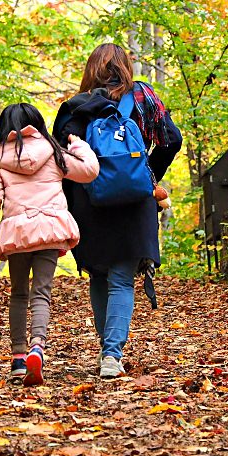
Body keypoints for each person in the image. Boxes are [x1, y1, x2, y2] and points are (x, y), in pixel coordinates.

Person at [54, 43, 183, 379]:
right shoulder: (143, 99)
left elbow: (60, 161)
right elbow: (172, 138)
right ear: (126, 67)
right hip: (134, 201)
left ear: (90, 69)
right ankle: (112, 355)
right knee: (122, 279)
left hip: (89, 201)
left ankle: (106, 349)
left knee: (99, 274)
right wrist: (147, 174)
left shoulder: (75, 108)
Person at [0, 103, 99, 385]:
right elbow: (89, 171)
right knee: (42, 292)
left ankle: (18, 358)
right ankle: (37, 347)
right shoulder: (54, 154)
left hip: (18, 235)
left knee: (19, 294)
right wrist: (79, 146)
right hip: (49, 230)